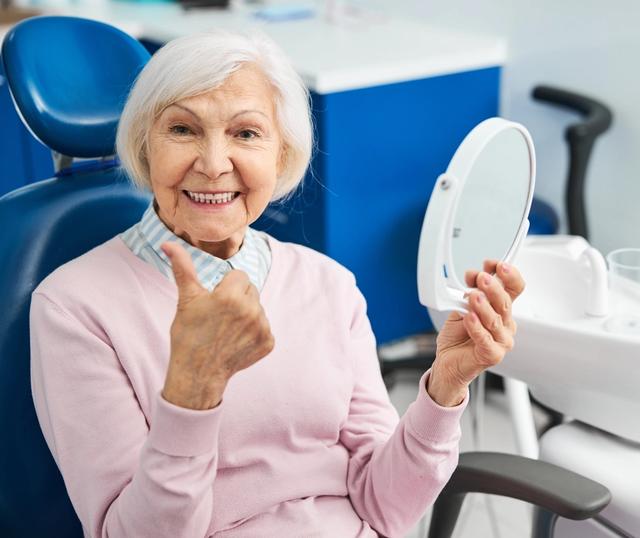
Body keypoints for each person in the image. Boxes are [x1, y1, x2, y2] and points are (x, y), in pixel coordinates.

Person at [29, 30, 524, 538]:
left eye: (246, 134)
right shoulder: (75, 309)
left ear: (282, 156)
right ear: (144, 146)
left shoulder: (329, 285)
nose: (214, 163)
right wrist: (191, 393)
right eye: (182, 129)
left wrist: (444, 389)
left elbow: (384, 507)